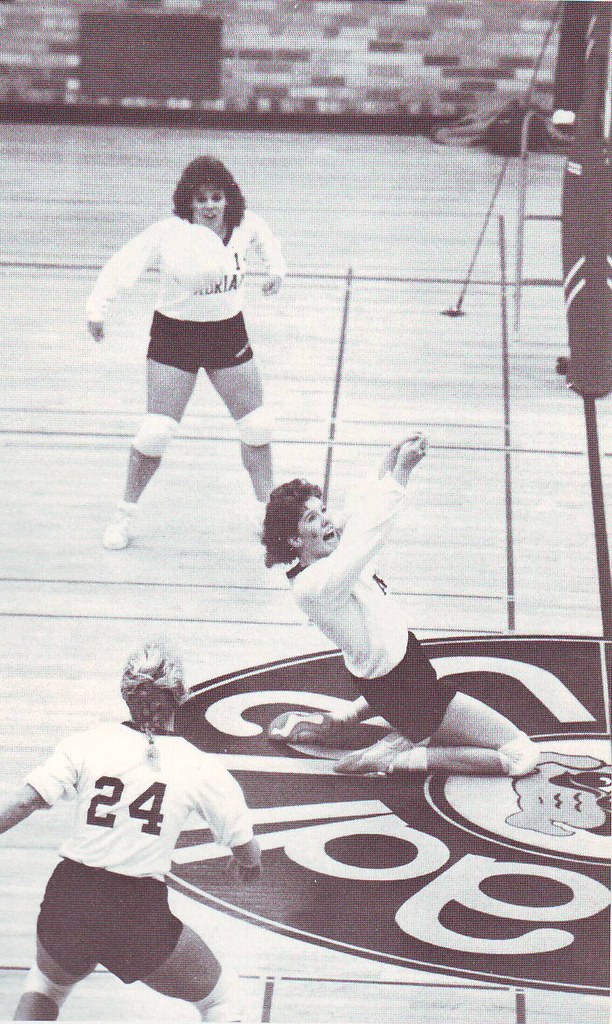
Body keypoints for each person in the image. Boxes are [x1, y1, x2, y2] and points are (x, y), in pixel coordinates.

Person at [0, 640, 261, 1021]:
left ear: (126, 694)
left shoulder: (87, 742)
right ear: (182, 695)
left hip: (68, 893)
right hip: (134, 910)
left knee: (46, 987)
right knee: (222, 1000)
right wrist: (248, 867)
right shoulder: (201, 768)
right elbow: (246, 847)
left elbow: (24, 802)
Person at [261, 435, 540, 778]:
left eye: (322, 511)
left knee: (420, 707)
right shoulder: (315, 584)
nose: (327, 521)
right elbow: (368, 533)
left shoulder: (324, 554)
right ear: (293, 540)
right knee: (521, 754)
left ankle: (347, 719)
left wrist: (389, 460)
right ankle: (396, 756)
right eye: (312, 520)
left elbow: (359, 506)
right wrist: (401, 475)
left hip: (397, 676)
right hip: (404, 687)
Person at [86, 155, 286, 550]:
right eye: (201, 199)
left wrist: (277, 270)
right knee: (156, 430)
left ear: (229, 198)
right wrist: (97, 307)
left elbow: (269, 243)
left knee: (257, 425)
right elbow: (123, 264)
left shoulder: (245, 225)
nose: (211, 206)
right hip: (174, 337)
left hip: (227, 333)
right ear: (188, 203)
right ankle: (124, 516)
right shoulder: (168, 234)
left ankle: (270, 516)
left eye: (217, 196)